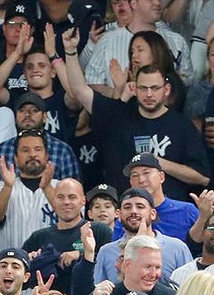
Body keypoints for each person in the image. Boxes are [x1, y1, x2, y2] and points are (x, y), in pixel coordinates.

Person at [64, 27, 209, 201]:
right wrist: (71, 51)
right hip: (124, 213)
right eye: (143, 88)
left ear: (166, 90)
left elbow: (202, 177)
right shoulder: (117, 115)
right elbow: (80, 90)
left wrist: (160, 163)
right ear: (134, 88)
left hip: (169, 215)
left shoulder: (181, 125)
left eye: (155, 88)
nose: (149, 94)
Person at [83, 0, 193, 91]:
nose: (157, 2)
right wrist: (119, 96)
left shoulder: (177, 41)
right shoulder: (107, 40)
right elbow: (93, 82)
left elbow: (187, 82)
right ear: (134, 4)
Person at [92, 188, 191, 285]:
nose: (133, 211)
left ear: (152, 214)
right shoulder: (106, 251)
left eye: (140, 207)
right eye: (127, 207)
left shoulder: (177, 248)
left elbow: (191, 289)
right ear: (119, 214)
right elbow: (99, 292)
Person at [0, 130, 57, 256]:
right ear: (16, 158)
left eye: (38, 149)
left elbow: (73, 220)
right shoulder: (0, 187)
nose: (32, 154)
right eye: (25, 150)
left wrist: (47, 188)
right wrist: (7, 187)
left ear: (46, 156)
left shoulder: (62, 187)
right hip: (10, 268)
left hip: (53, 267)